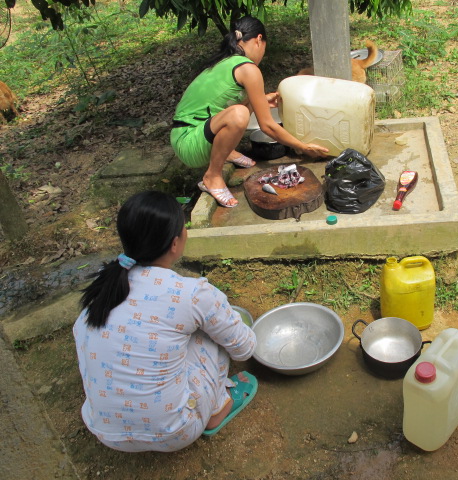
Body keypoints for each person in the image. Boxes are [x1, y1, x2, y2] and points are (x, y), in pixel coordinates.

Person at [73, 191, 257, 452]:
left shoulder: (103, 286)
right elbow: (244, 348)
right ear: (174, 243)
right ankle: (216, 408)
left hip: (104, 431)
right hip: (175, 432)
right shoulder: (192, 294)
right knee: (211, 332)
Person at [170, 16, 329, 208]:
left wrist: (261, 100)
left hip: (187, 134)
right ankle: (212, 176)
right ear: (258, 39)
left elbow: (223, 104)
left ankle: (226, 152)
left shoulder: (228, 61)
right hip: (189, 143)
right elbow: (267, 126)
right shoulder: (248, 69)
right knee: (238, 114)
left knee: (241, 110)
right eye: (264, 46)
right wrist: (303, 147)